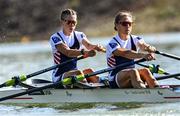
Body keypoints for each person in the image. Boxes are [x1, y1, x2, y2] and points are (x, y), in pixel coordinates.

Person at [49, 9, 104, 87]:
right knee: (78, 73)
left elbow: (88, 45)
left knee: (89, 71)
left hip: (74, 73)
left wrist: (96, 47)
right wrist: (83, 52)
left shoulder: (79, 35)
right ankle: (87, 90)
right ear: (62, 22)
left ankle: (103, 90)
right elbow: (68, 52)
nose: (71, 25)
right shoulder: (55, 37)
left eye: (74, 22)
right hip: (60, 76)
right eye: (69, 22)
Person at [106, 11, 159, 88]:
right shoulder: (112, 44)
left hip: (132, 75)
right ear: (116, 25)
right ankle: (144, 93)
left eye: (130, 24)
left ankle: (157, 90)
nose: (127, 26)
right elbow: (126, 53)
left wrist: (150, 48)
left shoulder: (135, 39)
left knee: (146, 71)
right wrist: (143, 55)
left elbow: (143, 45)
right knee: (133, 71)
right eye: (124, 23)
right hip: (115, 78)